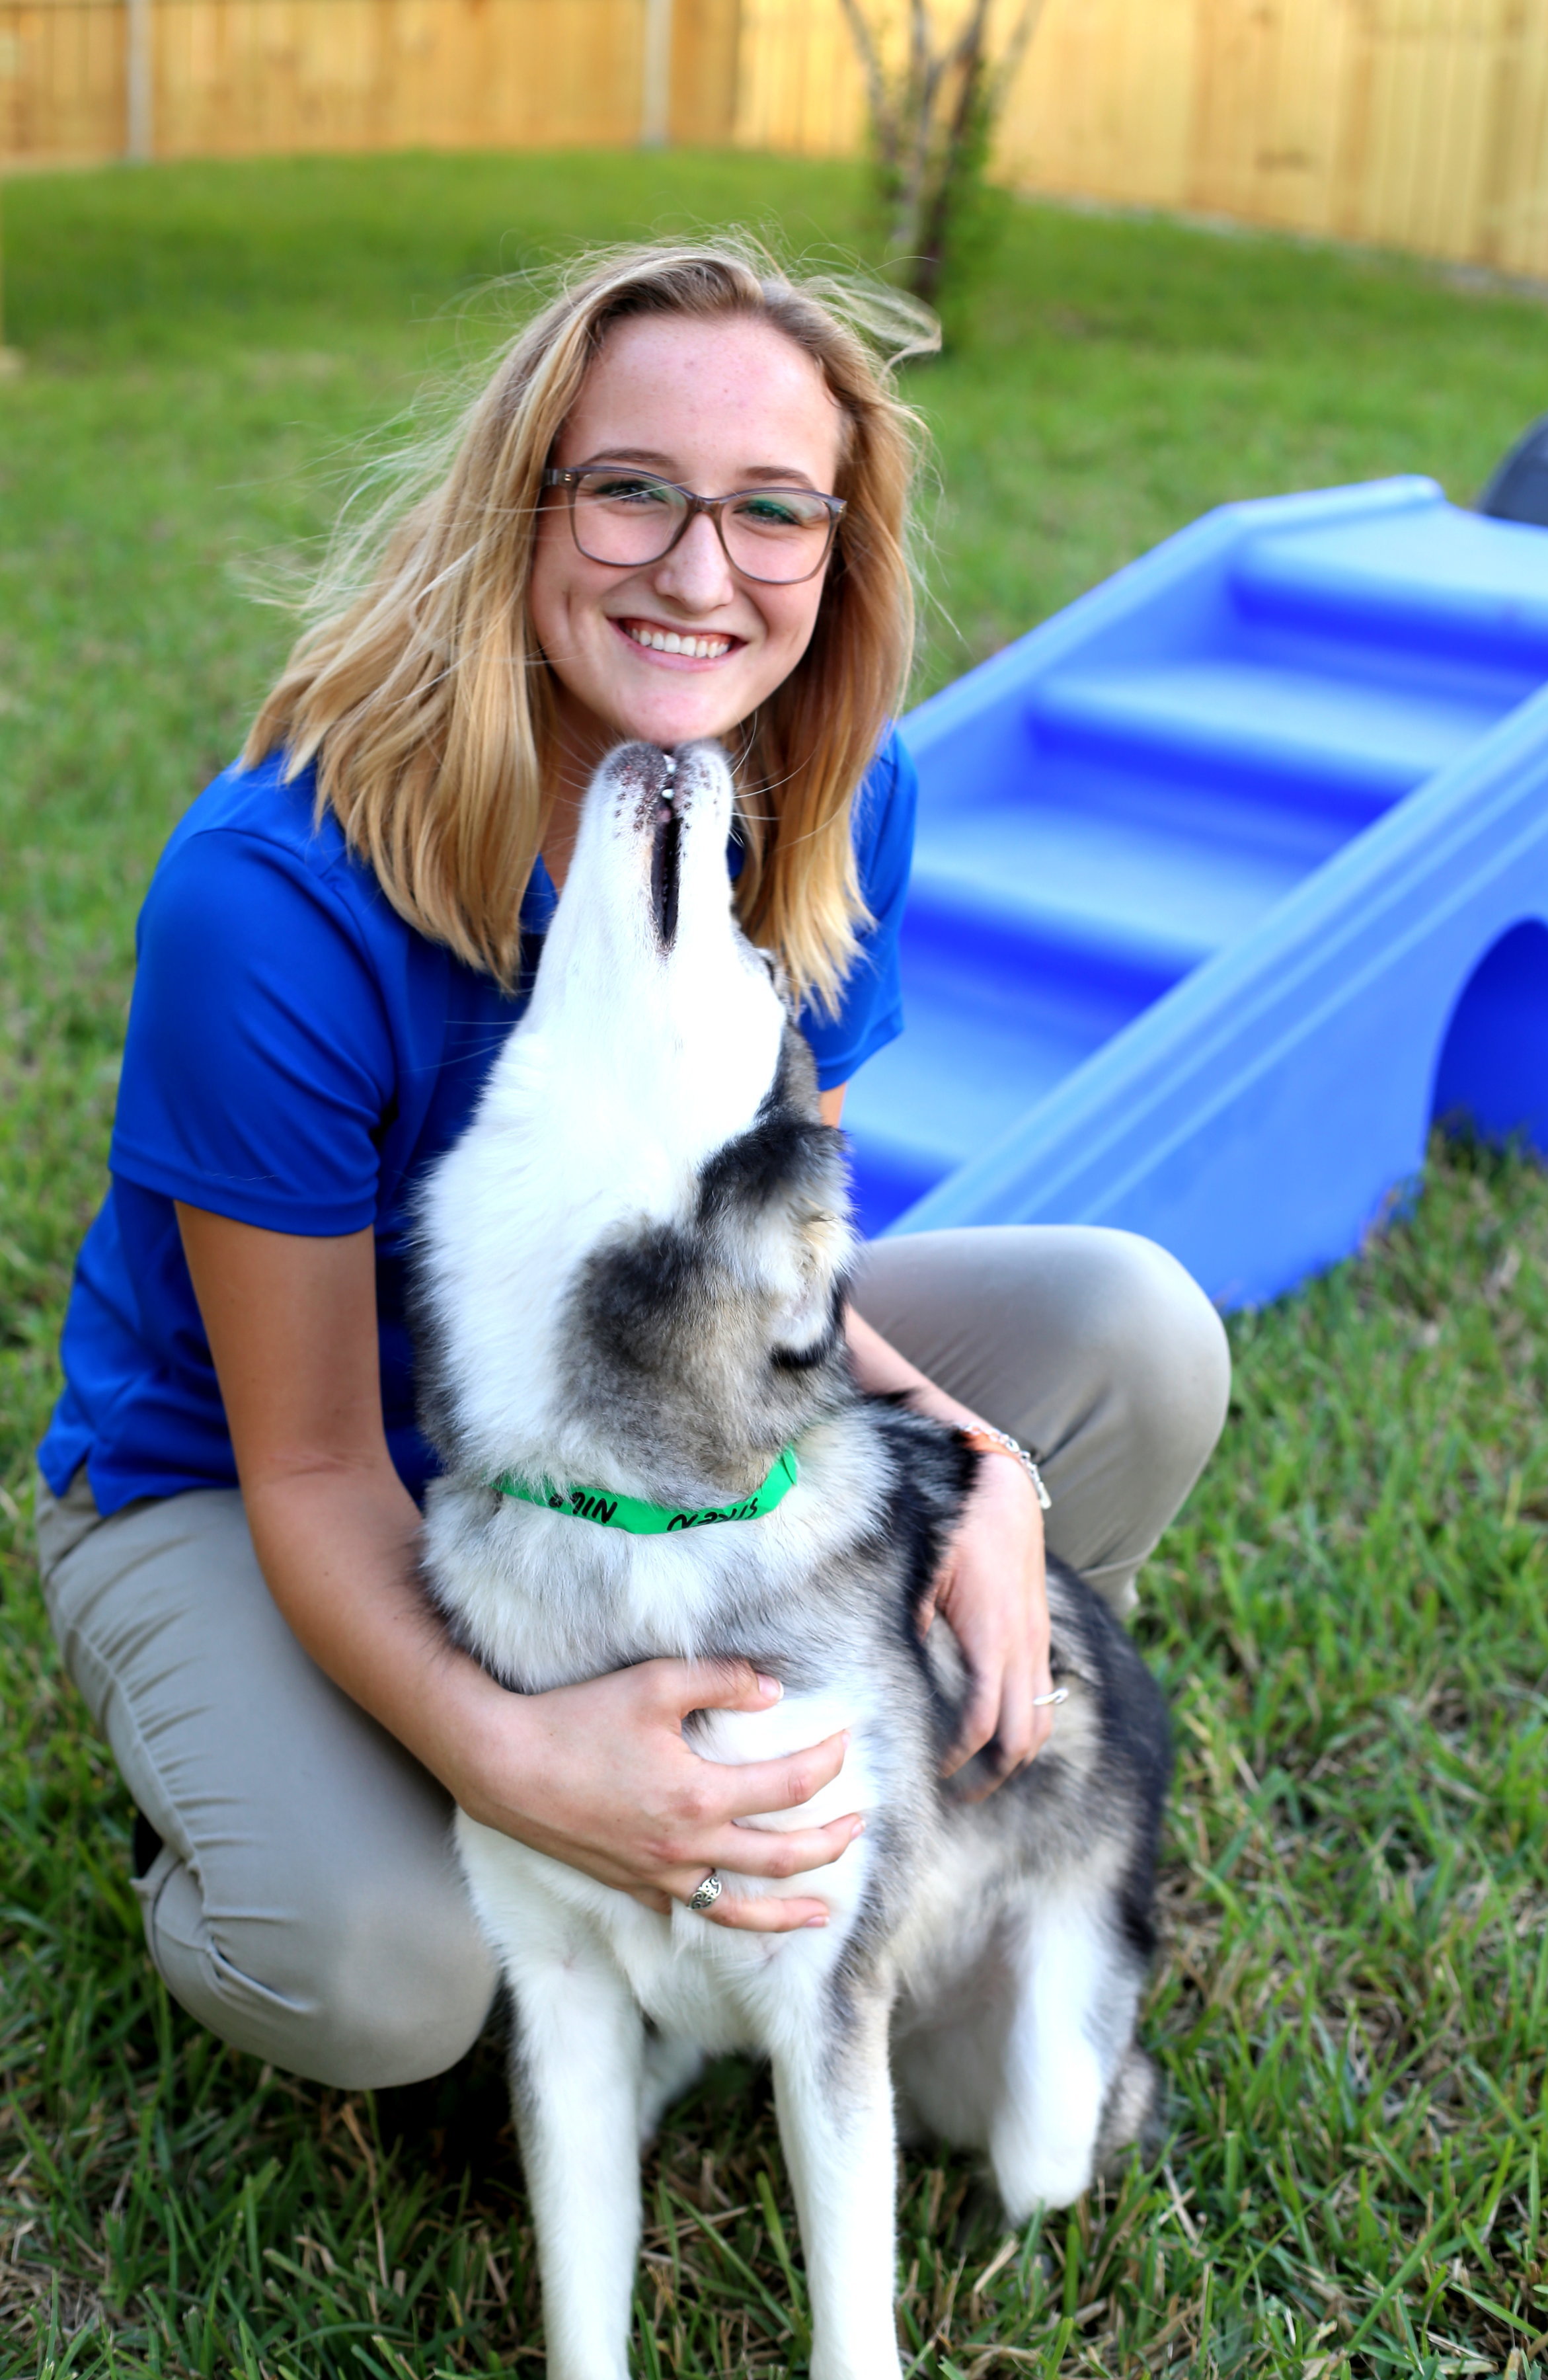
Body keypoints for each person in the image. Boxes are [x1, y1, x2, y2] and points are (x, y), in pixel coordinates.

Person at [34, 239, 1229, 2091]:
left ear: (840, 553)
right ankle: (240, 1803)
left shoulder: (834, 794)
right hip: (261, 1483)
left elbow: (786, 1294)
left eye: (773, 512)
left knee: (1129, 1337)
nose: (701, 573)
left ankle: (927, 1756)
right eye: (634, 494)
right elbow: (317, 1451)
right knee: (382, 1979)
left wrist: (981, 1473)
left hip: (648, 1416)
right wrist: (511, 1758)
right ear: (525, 505)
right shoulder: (275, 894)